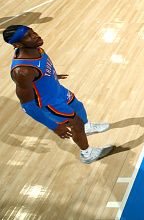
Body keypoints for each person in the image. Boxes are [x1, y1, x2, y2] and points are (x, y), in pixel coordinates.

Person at [3, 25, 113, 164]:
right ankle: (87, 154)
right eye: (29, 36)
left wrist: (52, 76)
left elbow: (41, 71)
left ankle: (87, 128)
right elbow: (27, 106)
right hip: (49, 103)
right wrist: (55, 127)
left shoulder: (36, 48)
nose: (36, 36)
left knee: (78, 106)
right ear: (18, 44)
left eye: (33, 32)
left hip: (57, 90)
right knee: (76, 124)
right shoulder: (22, 71)